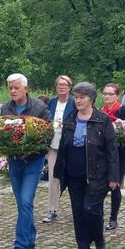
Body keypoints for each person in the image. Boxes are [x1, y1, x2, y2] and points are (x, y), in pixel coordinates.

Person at [53, 82, 120, 249]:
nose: (78, 100)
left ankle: (99, 242)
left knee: (91, 209)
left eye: (82, 97)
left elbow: (112, 150)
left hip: (96, 174)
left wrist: (114, 177)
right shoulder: (70, 118)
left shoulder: (102, 120)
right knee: (78, 212)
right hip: (73, 173)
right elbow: (63, 147)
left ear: (91, 99)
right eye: (76, 97)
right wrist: (59, 172)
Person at [0, 73, 51, 249]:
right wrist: (9, 148)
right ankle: (30, 237)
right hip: (15, 161)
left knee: (26, 200)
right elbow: (2, 133)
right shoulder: (6, 108)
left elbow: (48, 135)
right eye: (10, 88)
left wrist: (30, 149)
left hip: (33, 161)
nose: (13, 91)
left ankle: (19, 245)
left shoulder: (39, 108)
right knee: (22, 203)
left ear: (26, 89)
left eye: (16, 88)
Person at [42, 76, 75, 223]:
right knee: (53, 178)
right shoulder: (51, 102)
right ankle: (52, 209)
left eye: (64, 84)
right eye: (59, 84)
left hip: (70, 145)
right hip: (53, 145)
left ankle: (77, 208)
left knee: (73, 177)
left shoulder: (74, 103)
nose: (61, 87)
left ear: (69, 87)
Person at [100, 83, 125, 225]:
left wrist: (118, 130)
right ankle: (98, 215)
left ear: (117, 96)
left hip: (121, 154)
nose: (107, 96)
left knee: (115, 184)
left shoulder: (123, 110)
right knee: (101, 184)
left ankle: (113, 218)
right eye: (105, 93)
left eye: (110, 94)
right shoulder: (101, 111)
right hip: (105, 154)